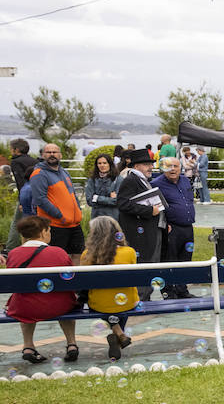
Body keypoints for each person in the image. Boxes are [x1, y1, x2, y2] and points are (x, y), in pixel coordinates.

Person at [6, 215, 79, 364]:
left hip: (26, 308)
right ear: (42, 232)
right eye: (49, 230)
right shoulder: (58, 252)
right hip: (59, 306)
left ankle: (28, 346)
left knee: (23, 297)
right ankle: (71, 344)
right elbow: (71, 279)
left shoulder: (13, 254)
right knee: (66, 297)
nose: (50, 234)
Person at [81, 215, 137, 360]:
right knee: (118, 304)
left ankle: (117, 333)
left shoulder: (87, 255)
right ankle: (119, 335)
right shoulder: (129, 252)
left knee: (104, 302)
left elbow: (84, 283)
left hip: (99, 304)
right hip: (127, 302)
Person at [114, 148, 165, 298]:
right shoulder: (130, 180)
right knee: (143, 263)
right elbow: (123, 204)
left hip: (149, 228)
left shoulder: (142, 180)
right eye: (146, 164)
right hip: (138, 232)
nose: (150, 167)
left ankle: (145, 296)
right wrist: (149, 211)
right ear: (136, 166)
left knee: (150, 263)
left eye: (151, 164)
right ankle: (141, 298)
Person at [29, 143, 85, 261]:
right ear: (43, 155)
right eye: (48, 152)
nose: (52, 154)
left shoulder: (64, 172)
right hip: (56, 225)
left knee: (77, 255)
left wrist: (79, 211)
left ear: (60, 155)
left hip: (74, 224)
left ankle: (75, 280)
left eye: (55, 152)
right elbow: (40, 200)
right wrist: (60, 216)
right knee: (57, 259)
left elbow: (73, 194)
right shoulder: (39, 174)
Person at [151, 157, 196, 297]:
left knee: (186, 260)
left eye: (176, 166)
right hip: (171, 228)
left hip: (188, 226)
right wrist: (165, 225)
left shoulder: (185, 180)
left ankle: (182, 290)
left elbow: (189, 200)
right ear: (163, 168)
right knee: (170, 260)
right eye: (169, 166)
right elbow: (153, 207)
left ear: (180, 167)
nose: (173, 169)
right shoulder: (156, 184)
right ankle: (169, 292)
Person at [6, 139, 37, 250]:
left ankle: (10, 248)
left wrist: (22, 200)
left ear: (16, 150)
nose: (10, 151)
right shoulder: (34, 161)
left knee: (17, 223)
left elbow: (20, 182)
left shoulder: (16, 161)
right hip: (36, 196)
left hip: (26, 196)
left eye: (11, 149)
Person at [84, 153, 120, 221]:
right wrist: (109, 199)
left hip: (113, 218)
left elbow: (117, 201)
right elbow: (89, 200)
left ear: (110, 164)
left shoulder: (118, 179)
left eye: (104, 163)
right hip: (96, 218)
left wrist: (97, 198)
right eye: (99, 163)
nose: (102, 165)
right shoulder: (92, 179)